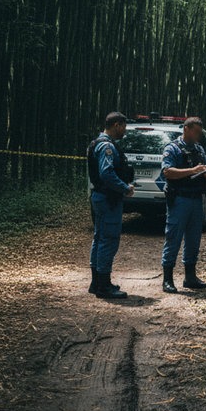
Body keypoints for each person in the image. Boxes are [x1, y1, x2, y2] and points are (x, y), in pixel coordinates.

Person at [161, 117, 206, 293]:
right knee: (174, 237)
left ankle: (190, 277)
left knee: (194, 239)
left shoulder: (199, 150)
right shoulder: (172, 148)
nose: (198, 136)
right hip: (180, 199)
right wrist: (193, 171)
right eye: (196, 132)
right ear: (186, 129)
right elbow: (167, 172)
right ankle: (167, 280)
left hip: (197, 199)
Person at [87, 112, 135, 299]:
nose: (125, 131)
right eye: (124, 126)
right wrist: (124, 188)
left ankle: (97, 282)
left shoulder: (96, 143)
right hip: (108, 199)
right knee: (108, 240)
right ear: (116, 125)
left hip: (99, 197)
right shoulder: (107, 146)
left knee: (99, 238)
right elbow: (106, 173)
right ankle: (104, 286)